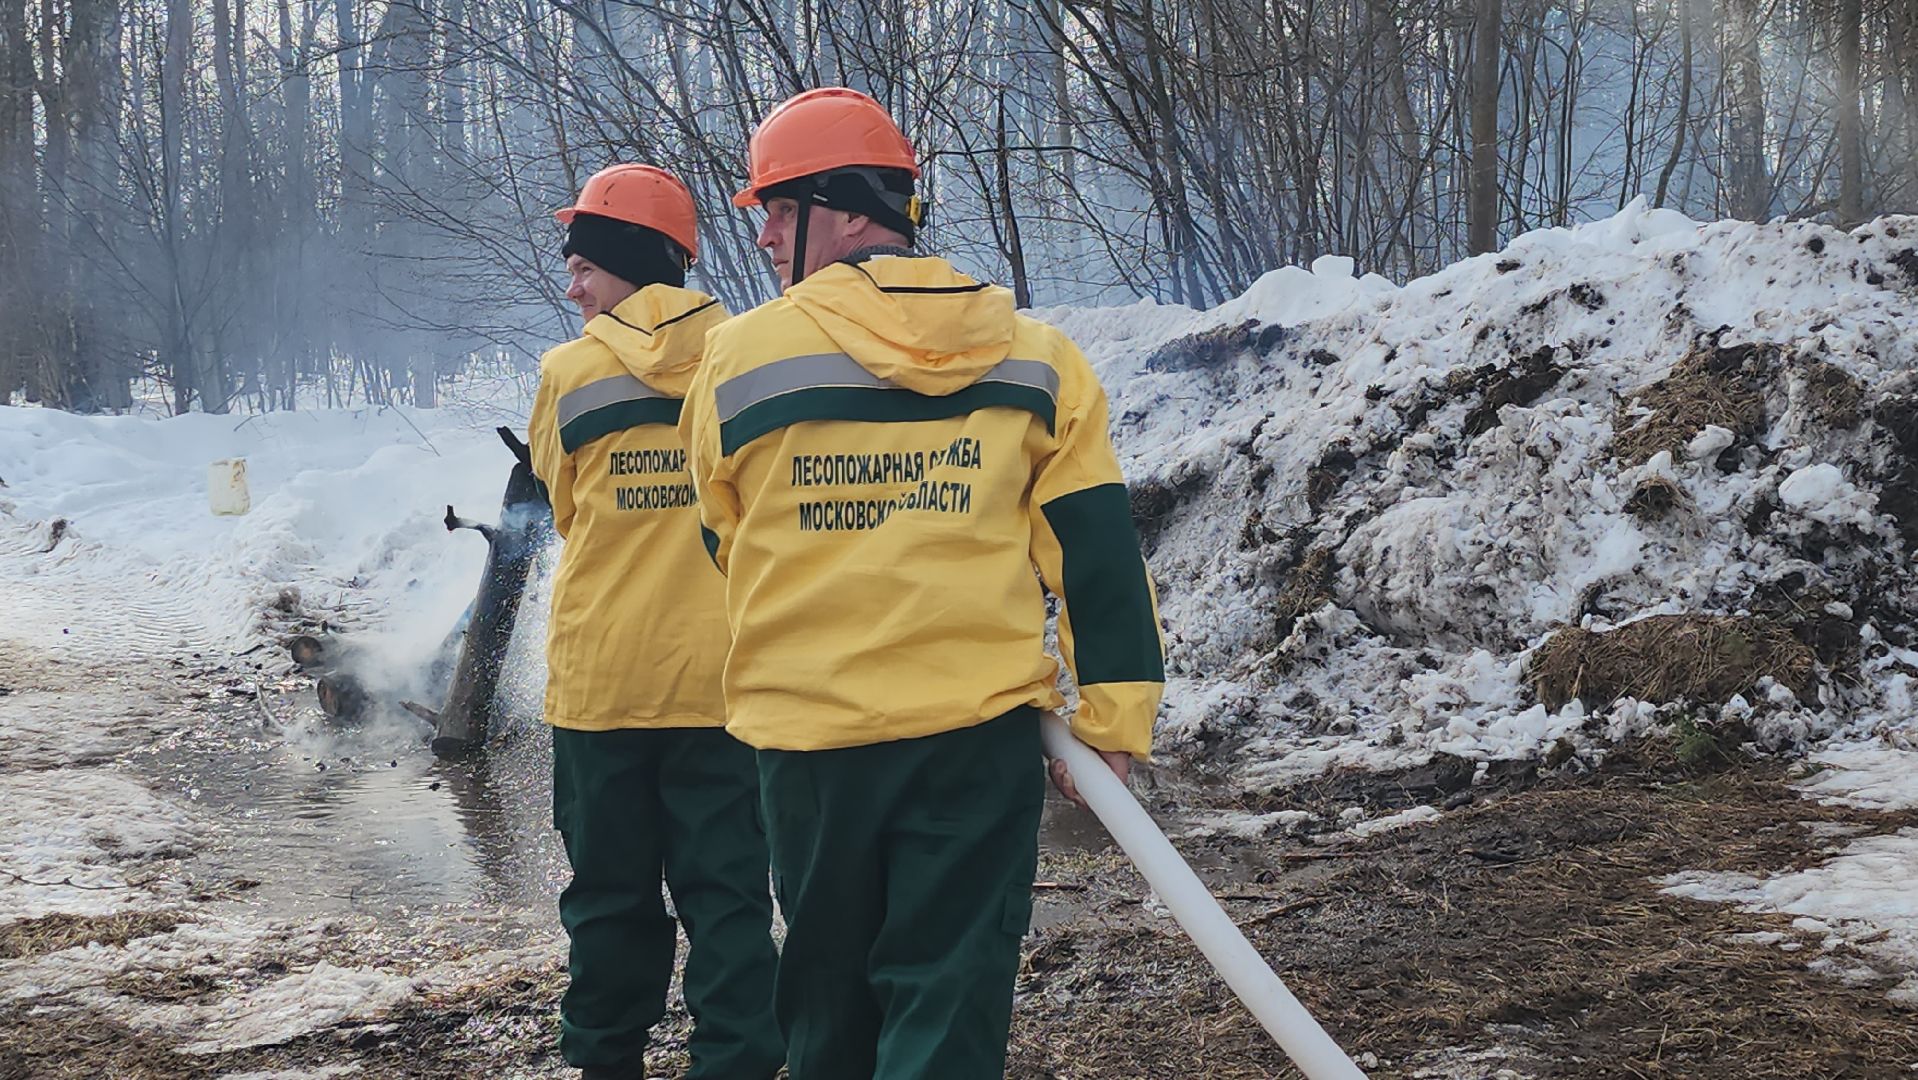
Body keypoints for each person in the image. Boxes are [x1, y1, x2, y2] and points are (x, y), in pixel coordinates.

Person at [679, 88, 1165, 1079]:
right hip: (970, 750)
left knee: (826, 1012)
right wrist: (1111, 722)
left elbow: (724, 538)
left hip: (812, 753)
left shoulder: (735, 361)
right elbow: (1097, 554)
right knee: (945, 1001)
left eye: (778, 206)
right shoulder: (1036, 360)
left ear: (849, 208)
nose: (766, 235)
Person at [529, 163, 783, 1080]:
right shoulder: (755, 349)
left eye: (584, 268)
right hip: (726, 686)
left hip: (604, 686)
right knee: (730, 901)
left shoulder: (568, 370)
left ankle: (604, 1063)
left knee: (608, 901)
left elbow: (564, 508)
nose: (573, 288)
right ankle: (740, 1064)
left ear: (627, 261)